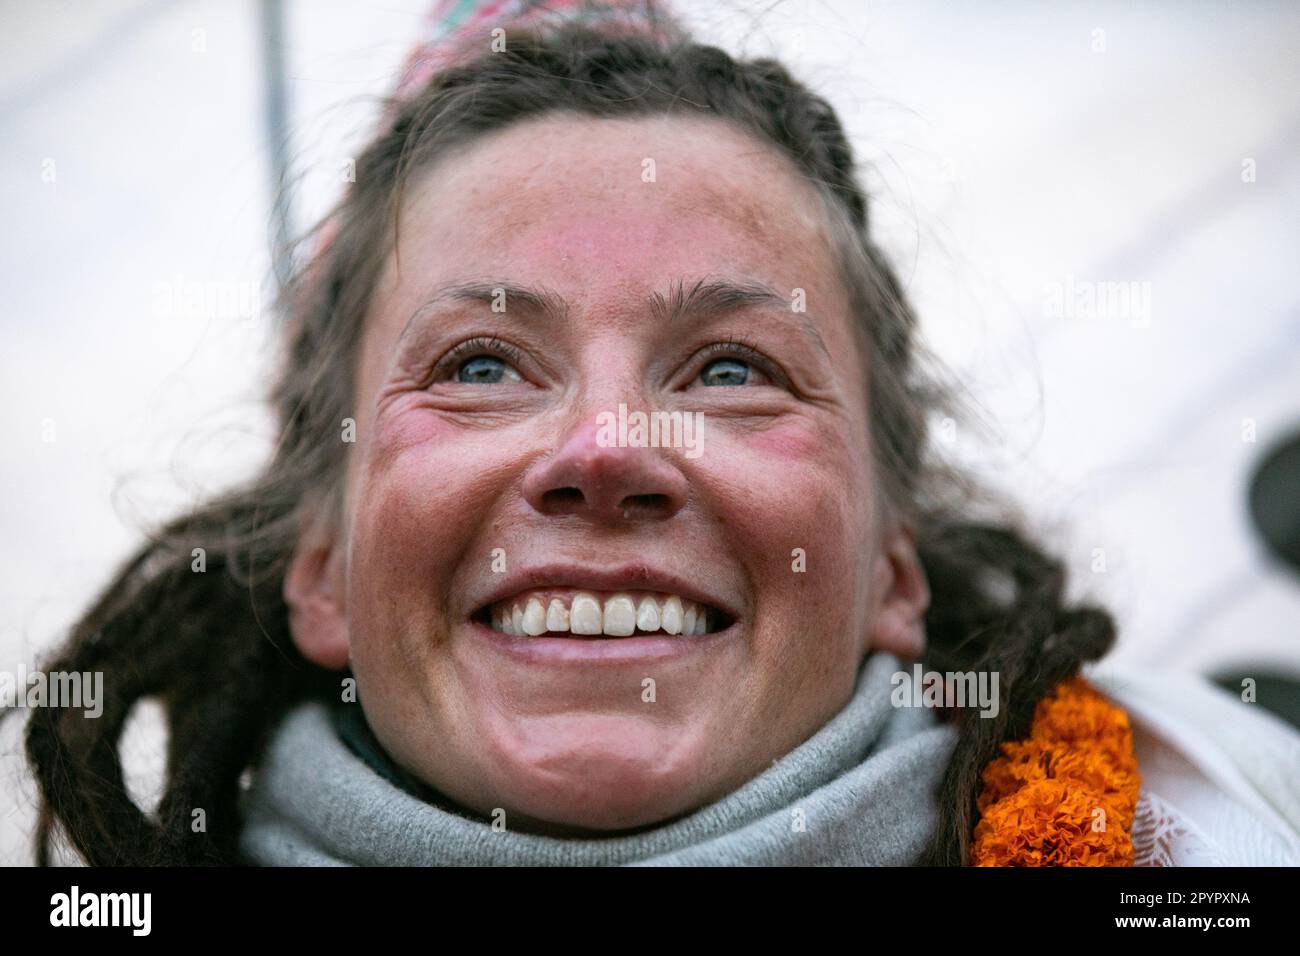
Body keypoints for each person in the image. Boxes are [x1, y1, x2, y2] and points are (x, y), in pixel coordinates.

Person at [15, 0, 1300, 866]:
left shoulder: (1236, 812)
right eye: (477, 364)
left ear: (892, 566)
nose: (607, 447)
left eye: (733, 367)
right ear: (319, 569)